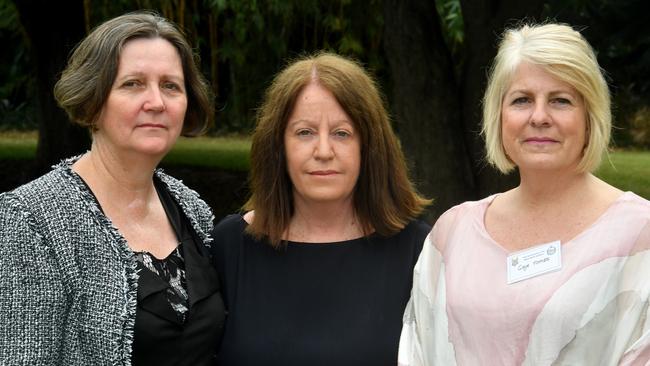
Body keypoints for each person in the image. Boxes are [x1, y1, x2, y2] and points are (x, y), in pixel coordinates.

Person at [398, 23, 650, 365]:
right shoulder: (453, 233)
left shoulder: (639, 236)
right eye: (522, 100)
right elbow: (418, 350)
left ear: (590, 116)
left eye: (561, 101)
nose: (540, 117)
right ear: (499, 115)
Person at [0, 12, 225, 365]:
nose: (156, 102)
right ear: (92, 101)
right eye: (133, 83)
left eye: (171, 85)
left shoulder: (192, 209)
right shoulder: (32, 219)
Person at [211, 52, 431, 365]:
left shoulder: (417, 251)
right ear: (278, 146)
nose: (324, 151)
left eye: (342, 133)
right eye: (305, 132)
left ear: (369, 147)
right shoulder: (230, 246)